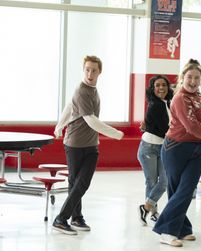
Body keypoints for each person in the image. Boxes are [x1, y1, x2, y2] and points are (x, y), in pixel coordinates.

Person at [53, 55, 124, 235]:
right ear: (83, 70)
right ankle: (62, 219)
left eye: (94, 70)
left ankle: (75, 218)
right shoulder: (82, 90)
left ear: (100, 72)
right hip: (75, 144)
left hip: (91, 144)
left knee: (80, 182)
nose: (90, 73)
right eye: (87, 69)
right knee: (78, 183)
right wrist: (115, 134)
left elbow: (70, 106)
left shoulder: (92, 90)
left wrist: (59, 125)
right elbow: (91, 120)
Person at [153, 59, 201, 247]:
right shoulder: (180, 98)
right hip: (175, 148)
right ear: (182, 78)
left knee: (185, 189)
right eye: (189, 77)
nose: (193, 81)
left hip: (196, 149)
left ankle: (182, 227)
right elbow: (192, 126)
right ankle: (167, 230)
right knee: (179, 190)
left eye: (197, 78)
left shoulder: (199, 98)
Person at [137, 75, 174, 226]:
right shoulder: (155, 105)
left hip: (162, 147)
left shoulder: (167, 103)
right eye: (157, 85)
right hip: (149, 147)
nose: (161, 88)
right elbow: (163, 129)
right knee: (151, 181)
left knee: (164, 181)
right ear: (152, 88)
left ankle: (146, 207)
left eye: (164, 85)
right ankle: (153, 213)